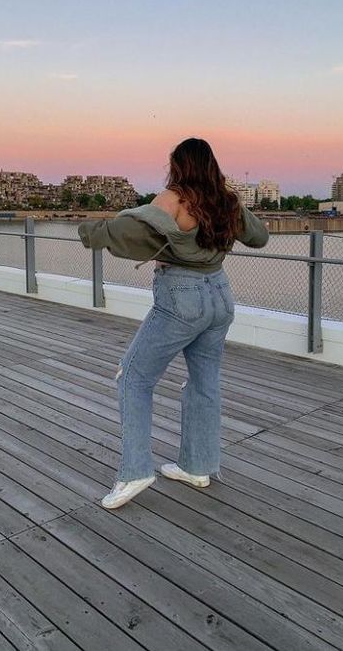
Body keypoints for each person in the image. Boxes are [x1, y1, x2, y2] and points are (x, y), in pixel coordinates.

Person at [77, 137, 270, 508]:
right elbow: (259, 236)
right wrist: (234, 208)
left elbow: (129, 232)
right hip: (220, 298)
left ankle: (135, 471)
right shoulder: (226, 201)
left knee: (133, 377)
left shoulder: (172, 200)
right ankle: (196, 467)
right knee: (204, 382)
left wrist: (89, 232)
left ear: (179, 165)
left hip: (182, 298)